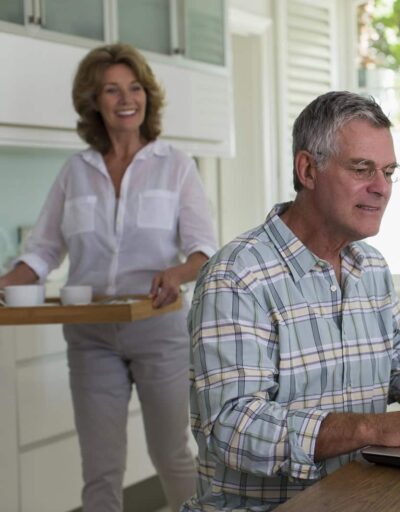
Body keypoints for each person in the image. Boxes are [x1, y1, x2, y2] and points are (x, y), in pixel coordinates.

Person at [183, 91, 400, 511]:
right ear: (308, 169)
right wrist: (376, 428)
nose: (381, 188)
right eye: (362, 169)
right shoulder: (236, 276)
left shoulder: (370, 267)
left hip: (361, 498)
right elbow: (233, 429)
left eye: (389, 172)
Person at [0, 44, 217, 511]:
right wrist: (5, 284)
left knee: (172, 454)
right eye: (111, 89)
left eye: (134, 87)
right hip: (91, 332)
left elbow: (205, 252)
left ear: (147, 97)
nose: (126, 98)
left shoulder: (175, 165)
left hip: (158, 327)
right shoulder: (74, 172)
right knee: (99, 469)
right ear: (93, 101)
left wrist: (175, 272)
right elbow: (40, 252)